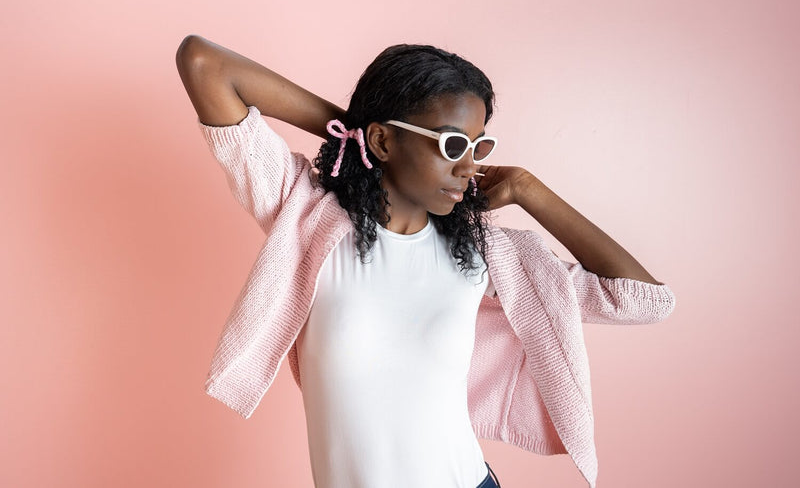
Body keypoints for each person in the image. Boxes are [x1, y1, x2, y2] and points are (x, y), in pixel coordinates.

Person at [175, 35, 676, 488]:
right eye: (452, 144)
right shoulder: (306, 219)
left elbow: (645, 301)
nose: (468, 166)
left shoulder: (484, 258)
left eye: (478, 146)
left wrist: (528, 189)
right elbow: (204, 64)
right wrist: (351, 131)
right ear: (384, 140)